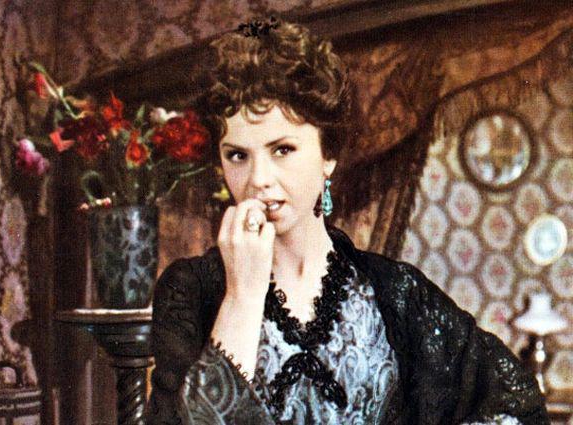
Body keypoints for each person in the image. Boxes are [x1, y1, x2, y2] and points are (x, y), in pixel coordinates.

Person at [145, 18, 548, 425]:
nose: (258, 179)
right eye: (238, 155)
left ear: (328, 156)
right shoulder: (190, 289)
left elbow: (517, 405)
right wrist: (242, 298)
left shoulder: (396, 293)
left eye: (282, 149)